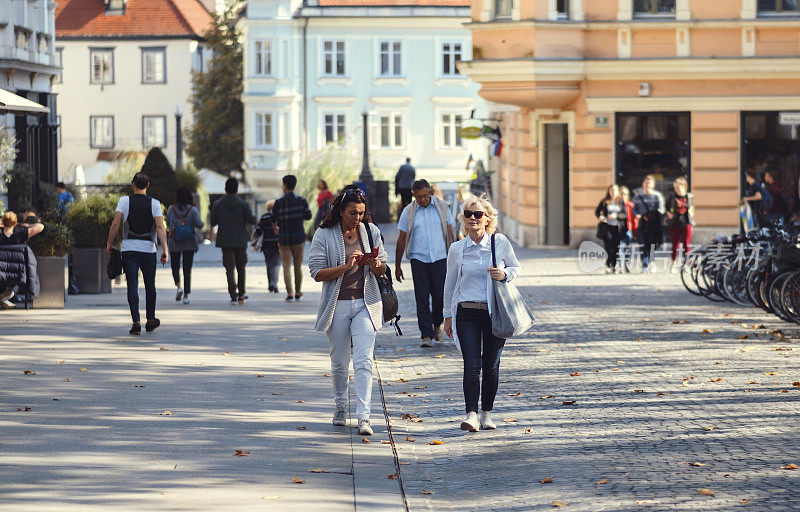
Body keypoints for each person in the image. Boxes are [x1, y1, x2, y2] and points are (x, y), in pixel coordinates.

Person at [308, 186, 389, 436]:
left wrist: (376, 264)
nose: (358, 218)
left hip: (366, 303)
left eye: (362, 213)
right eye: (353, 213)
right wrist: (345, 267)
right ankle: (341, 406)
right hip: (338, 305)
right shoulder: (324, 234)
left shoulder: (371, 231)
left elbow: (383, 268)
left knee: (364, 361)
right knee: (340, 363)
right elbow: (316, 272)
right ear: (341, 210)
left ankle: (364, 417)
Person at [443, 196, 521, 432]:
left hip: (494, 312)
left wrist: (503, 274)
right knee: (471, 364)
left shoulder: (499, 243)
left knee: (491, 365)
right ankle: (472, 415)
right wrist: (447, 315)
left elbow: (516, 267)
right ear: (464, 220)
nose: (473, 218)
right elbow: (449, 284)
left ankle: (487, 412)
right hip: (466, 312)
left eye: (478, 214)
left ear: (488, 218)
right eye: (468, 214)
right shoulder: (457, 249)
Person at [395, 179, 456, 347]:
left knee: (439, 296)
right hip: (418, 259)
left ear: (429, 192)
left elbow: (452, 232)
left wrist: (456, 258)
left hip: (440, 258)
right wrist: (398, 265)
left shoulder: (442, 208)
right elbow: (401, 239)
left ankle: (437, 324)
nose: (422, 200)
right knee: (421, 298)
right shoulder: (408, 212)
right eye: (418, 197)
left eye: (425, 195)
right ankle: (426, 335)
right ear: (413, 195)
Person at [106, 172, 168, 335]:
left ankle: (135, 322)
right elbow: (160, 227)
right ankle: (151, 320)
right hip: (149, 249)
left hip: (129, 248)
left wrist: (110, 243)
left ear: (133, 184)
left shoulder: (124, 201)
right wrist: (165, 249)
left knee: (132, 285)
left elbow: (116, 223)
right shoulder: (155, 204)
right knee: (150, 286)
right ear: (148, 185)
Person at [210, 178, 257, 306]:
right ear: (237, 189)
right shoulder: (243, 203)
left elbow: (213, 221)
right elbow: (252, 220)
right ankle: (241, 293)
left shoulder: (218, 204)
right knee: (241, 267)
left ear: (225, 189)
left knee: (229, 269)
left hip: (225, 241)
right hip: (240, 240)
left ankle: (233, 295)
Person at [273, 174, 312, 301]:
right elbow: (308, 216)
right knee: (297, 266)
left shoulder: (279, 202)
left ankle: (289, 293)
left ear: (284, 186)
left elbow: (272, 218)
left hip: (284, 238)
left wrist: (275, 227)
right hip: (298, 238)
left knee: (286, 266)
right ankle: (298, 291)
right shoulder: (301, 200)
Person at [166, 186, 204, 304]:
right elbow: (200, 224)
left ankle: (179, 287)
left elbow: (167, 223)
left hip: (174, 242)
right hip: (189, 242)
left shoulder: (171, 209)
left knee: (175, 266)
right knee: (187, 269)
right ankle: (186, 295)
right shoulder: (192, 210)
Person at [0, 211, 44, 308]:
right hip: (18, 273)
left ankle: (4, 296)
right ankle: (10, 293)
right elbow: (41, 227)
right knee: (26, 270)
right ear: (15, 223)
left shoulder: (1, 237)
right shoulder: (20, 235)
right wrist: (27, 225)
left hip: (1, 272)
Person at [633, 175, 665, 272]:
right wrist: (637, 215)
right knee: (642, 243)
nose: (647, 185)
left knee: (652, 244)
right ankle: (645, 264)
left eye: (649, 183)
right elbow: (634, 209)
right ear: (643, 184)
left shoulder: (657, 195)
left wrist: (653, 215)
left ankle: (651, 262)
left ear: (653, 185)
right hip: (641, 224)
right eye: (645, 183)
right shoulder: (638, 196)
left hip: (653, 225)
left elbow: (662, 209)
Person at [666, 177, 694, 272]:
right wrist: (669, 214)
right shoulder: (672, 197)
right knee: (675, 245)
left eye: (678, 187)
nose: (676, 189)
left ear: (684, 186)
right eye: (675, 187)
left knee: (686, 244)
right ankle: (673, 264)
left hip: (686, 223)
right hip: (675, 223)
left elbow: (692, 207)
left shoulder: (689, 197)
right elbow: (667, 207)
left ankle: (686, 264)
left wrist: (692, 214)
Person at [595, 184, 624, 274]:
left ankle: (614, 265)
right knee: (608, 246)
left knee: (615, 247)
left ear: (618, 192)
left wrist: (617, 216)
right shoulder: (604, 201)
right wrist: (601, 217)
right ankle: (608, 265)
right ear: (609, 192)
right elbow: (597, 212)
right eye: (611, 190)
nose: (613, 192)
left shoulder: (621, 202)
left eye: (615, 190)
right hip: (607, 227)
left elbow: (625, 214)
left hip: (617, 227)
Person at [257, 200, 281, 293]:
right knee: (276, 263)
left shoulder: (263, 217)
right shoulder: (279, 217)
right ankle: (274, 284)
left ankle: (270, 284)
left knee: (269, 264)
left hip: (266, 244)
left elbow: (259, 230)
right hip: (277, 243)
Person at [619, 186, 637, 273]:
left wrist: (634, 230)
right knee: (619, 247)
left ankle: (625, 264)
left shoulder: (630, 205)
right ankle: (619, 265)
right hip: (618, 229)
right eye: (621, 193)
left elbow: (633, 219)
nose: (623, 195)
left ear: (628, 195)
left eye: (625, 194)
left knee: (626, 247)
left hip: (628, 229)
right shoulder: (616, 204)